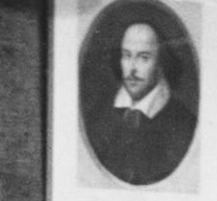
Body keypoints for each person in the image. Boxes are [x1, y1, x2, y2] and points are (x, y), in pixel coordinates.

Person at [81, 19, 197, 187]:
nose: (132, 68)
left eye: (144, 58)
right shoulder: (97, 115)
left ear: (160, 63)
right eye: (127, 56)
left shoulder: (184, 125)